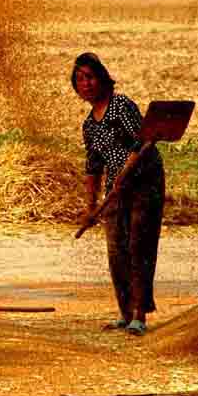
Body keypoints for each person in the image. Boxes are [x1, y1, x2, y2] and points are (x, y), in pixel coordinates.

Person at [72, 52, 164, 336]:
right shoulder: (89, 125)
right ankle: (124, 313)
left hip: (144, 183)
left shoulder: (121, 106)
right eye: (79, 80)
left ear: (102, 79)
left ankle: (139, 315)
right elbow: (93, 166)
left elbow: (143, 140)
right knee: (116, 251)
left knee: (139, 246)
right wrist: (91, 206)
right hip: (116, 190)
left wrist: (125, 173)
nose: (85, 84)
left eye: (89, 77)